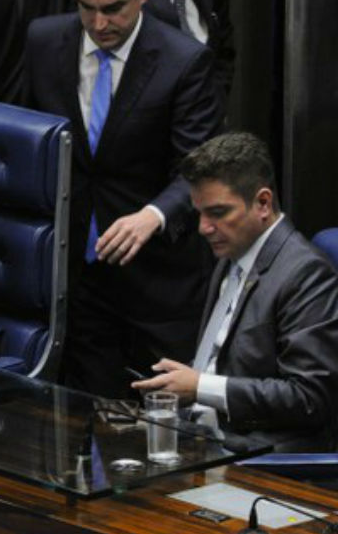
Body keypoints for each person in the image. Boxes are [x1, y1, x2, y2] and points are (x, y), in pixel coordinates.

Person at [25, 0, 221, 400]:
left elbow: (196, 168)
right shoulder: (44, 40)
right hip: (78, 276)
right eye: (86, 7)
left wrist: (152, 215)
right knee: (91, 417)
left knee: (160, 424)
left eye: (113, 8)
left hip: (157, 281)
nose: (99, 23)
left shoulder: (184, 61)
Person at [133, 133, 338, 451]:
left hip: (258, 460)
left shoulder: (306, 274)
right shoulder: (232, 253)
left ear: (263, 203)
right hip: (201, 442)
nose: (203, 228)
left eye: (217, 213)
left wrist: (200, 386)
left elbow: (309, 397)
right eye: (199, 212)